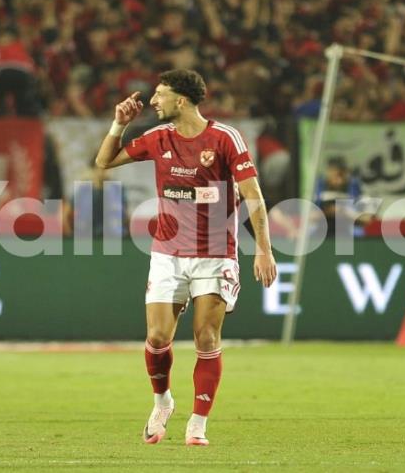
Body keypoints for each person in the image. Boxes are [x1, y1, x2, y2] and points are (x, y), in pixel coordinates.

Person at [95, 69, 277, 446]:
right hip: (167, 253)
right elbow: (104, 162)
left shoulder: (224, 138)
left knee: (206, 337)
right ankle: (162, 402)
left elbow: (253, 194)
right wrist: (118, 124)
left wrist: (264, 248)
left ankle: (198, 422)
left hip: (215, 255)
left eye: (160, 95)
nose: (153, 101)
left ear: (181, 100)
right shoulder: (157, 138)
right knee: (158, 337)